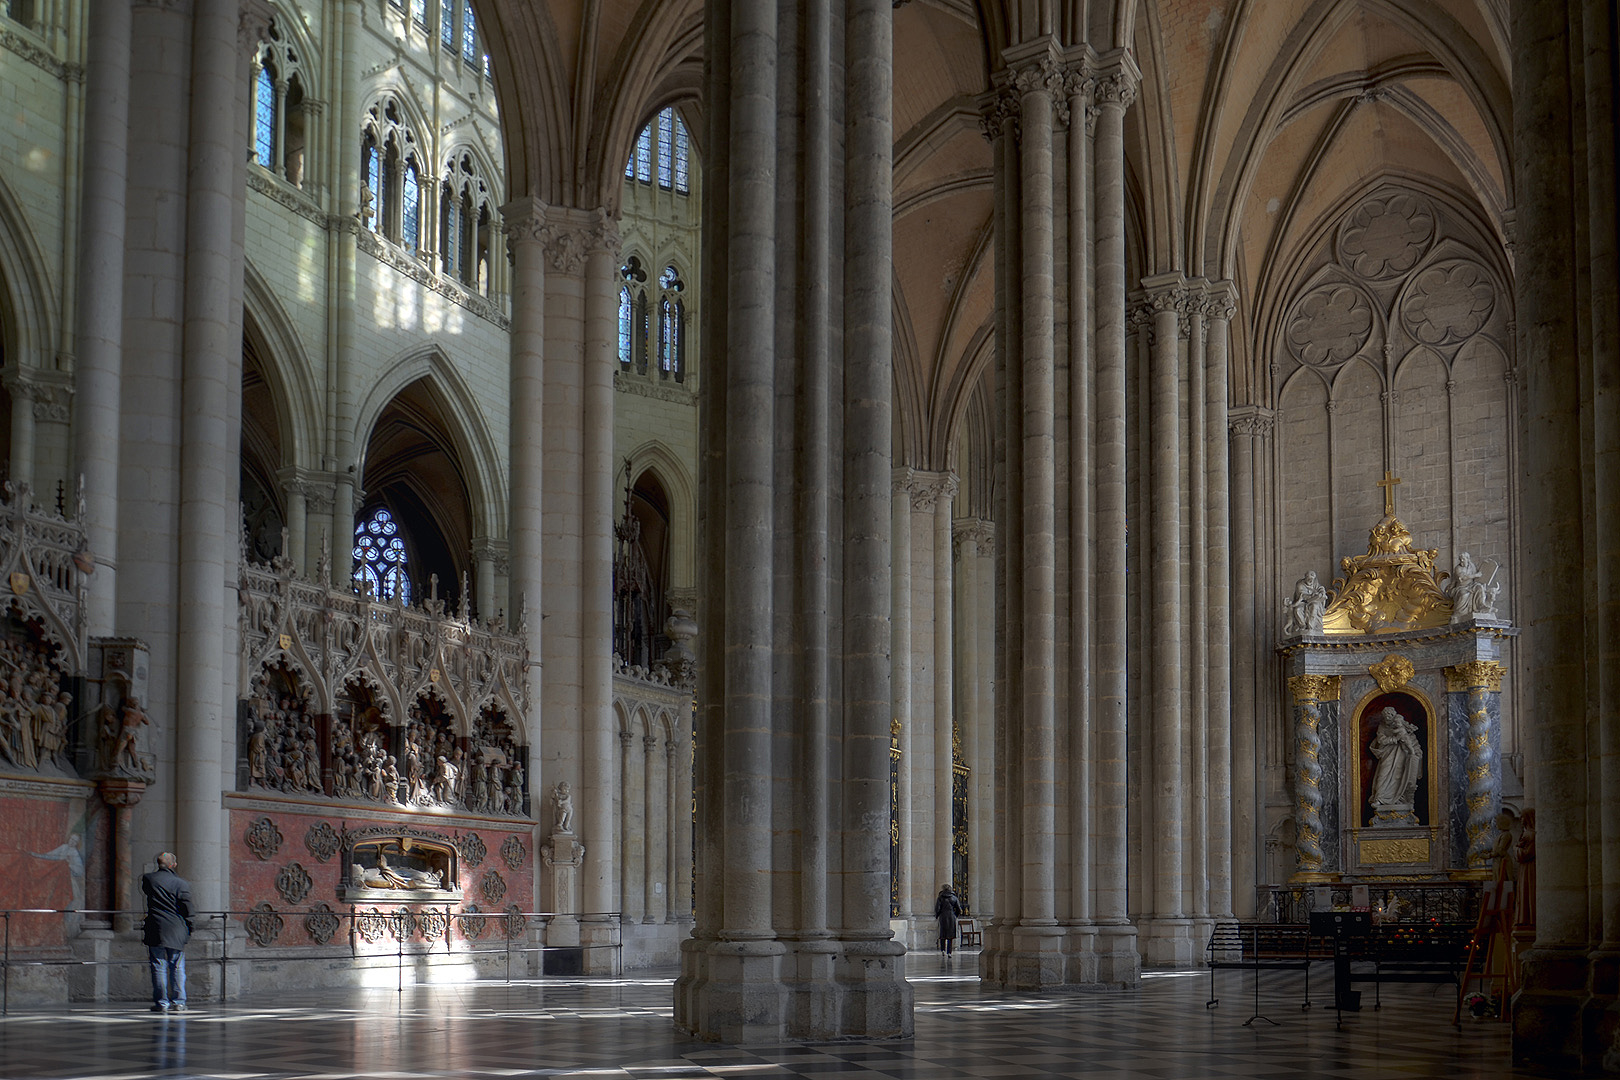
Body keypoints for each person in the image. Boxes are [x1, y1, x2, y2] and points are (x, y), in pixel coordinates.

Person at [141, 851, 193, 1013]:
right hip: (176, 928)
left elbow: (146, 892)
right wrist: (190, 927)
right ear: (173, 865)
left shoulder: (148, 879)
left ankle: (162, 1003)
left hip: (155, 927)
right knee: (177, 966)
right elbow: (188, 908)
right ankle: (179, 1002)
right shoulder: (181, 883)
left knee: (158, 966)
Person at [934, 884, 962, 956]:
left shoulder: (940, 898)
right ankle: (949, 952)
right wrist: (955, 915)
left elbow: (937, 908)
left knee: (943, 934)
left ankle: (943, 950)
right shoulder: (954, 898)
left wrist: (937, 915)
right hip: (951, 917)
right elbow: (959, 909)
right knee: (950, 935)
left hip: (943, 916)